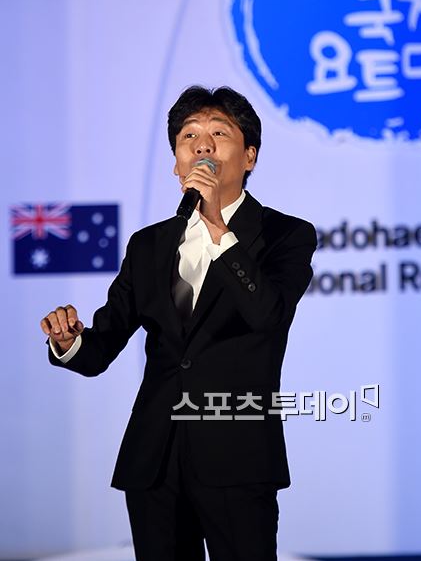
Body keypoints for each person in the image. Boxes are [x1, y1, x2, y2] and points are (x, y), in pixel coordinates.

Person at [40, 85, 317, 561]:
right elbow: (101, 347)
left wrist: (217, 228)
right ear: (176, 162)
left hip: (238, 456)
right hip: (154, 461)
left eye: (219, 134)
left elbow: (268, 315)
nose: (202, 145)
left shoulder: (285, 234)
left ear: (249, 157)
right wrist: (69, 342)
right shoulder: (148, 245)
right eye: (189, 136)